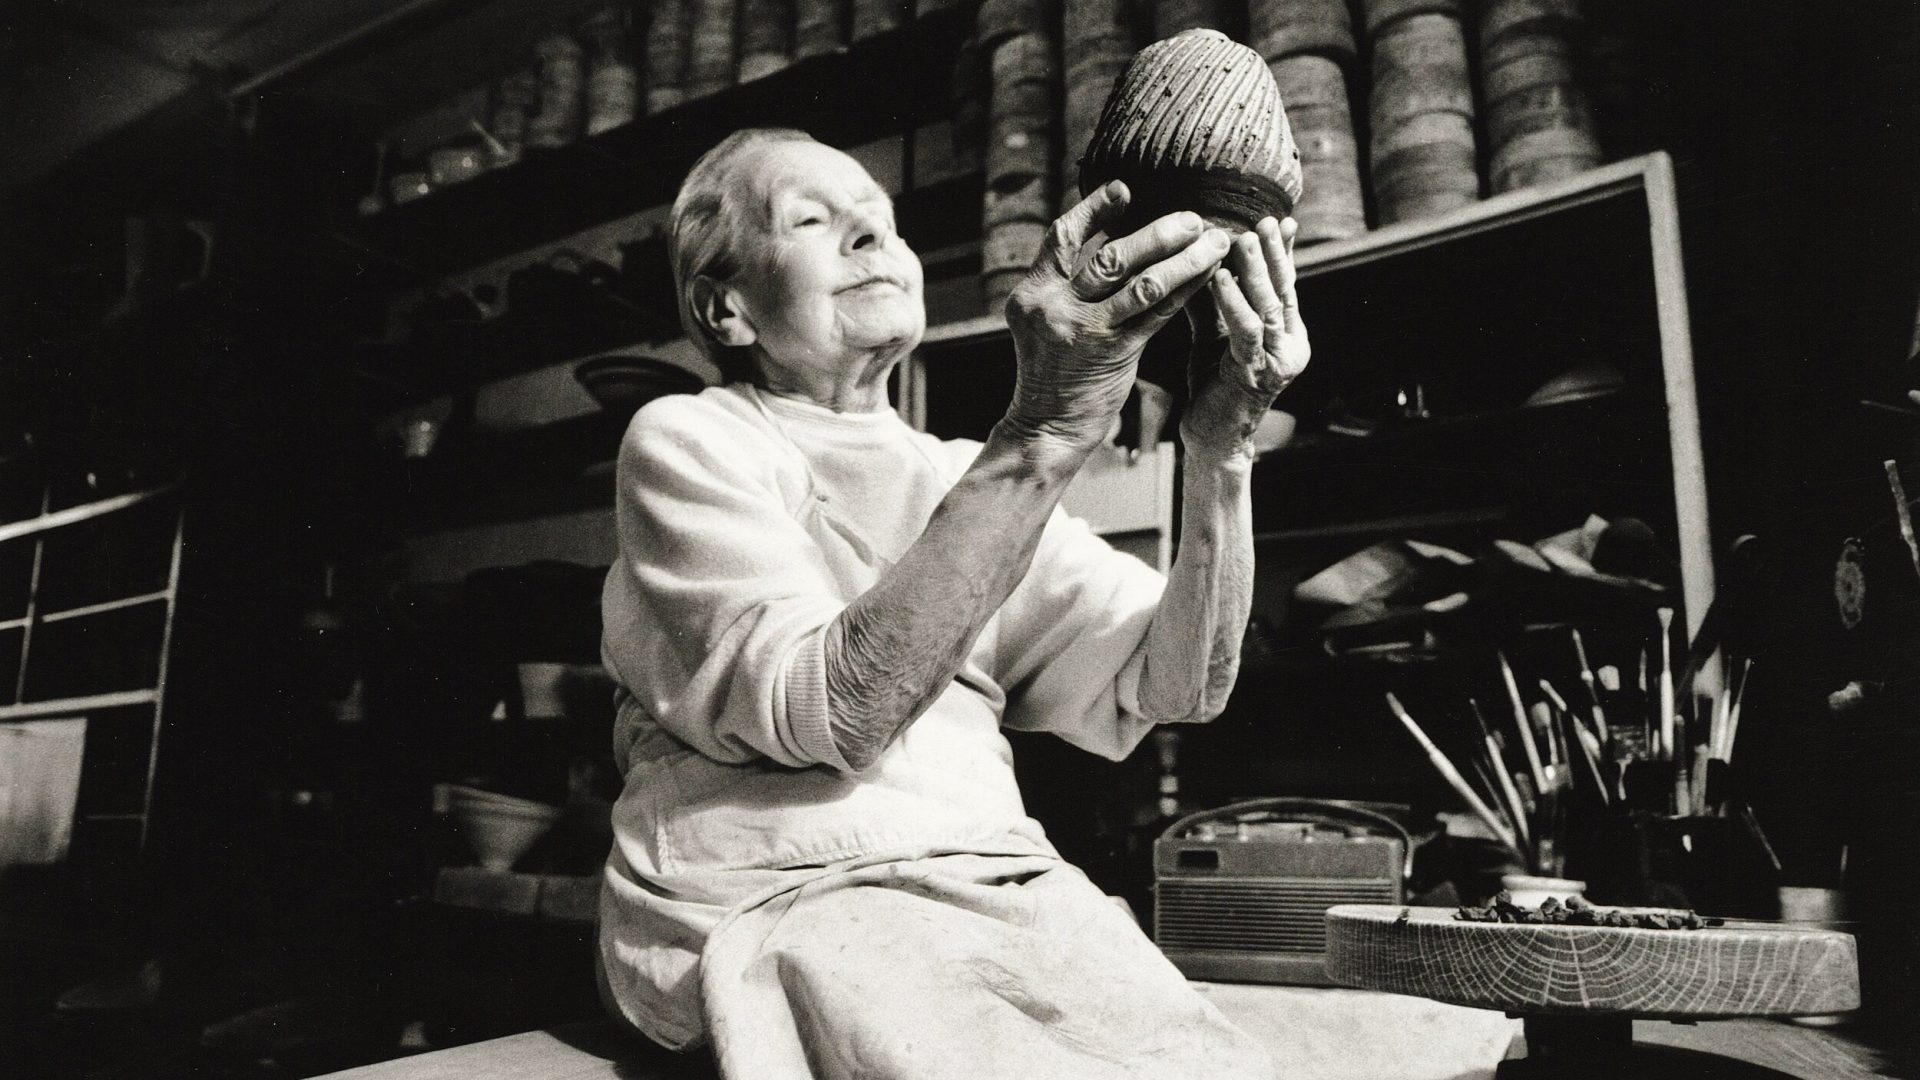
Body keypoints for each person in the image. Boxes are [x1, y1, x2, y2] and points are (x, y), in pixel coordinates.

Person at [596, 127, 1310, 1079]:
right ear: (726, 309)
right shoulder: (690, 440)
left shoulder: (959, 474)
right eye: (812, 220)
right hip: (774, 891)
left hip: (993, 885)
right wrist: (1046, 430)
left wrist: (1222, 444)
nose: (870, 238)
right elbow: (832, 713)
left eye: (882, 224)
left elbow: (1176, 682)